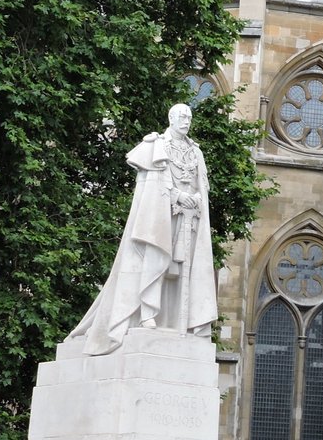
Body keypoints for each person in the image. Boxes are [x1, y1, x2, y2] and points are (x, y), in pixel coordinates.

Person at [71, 102, 217, 355]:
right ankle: (147, 313)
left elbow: (200, 185)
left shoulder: (196, 152)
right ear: (171, 118)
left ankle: (172, 320)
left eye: (189, 117)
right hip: (161, 215)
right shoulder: (156, 144)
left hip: (187, 218)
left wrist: (194, 199)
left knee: (182, 268)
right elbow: (156, 181)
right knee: (155, 259)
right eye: (182, 116)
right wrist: (177, 196)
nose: (186, 121)